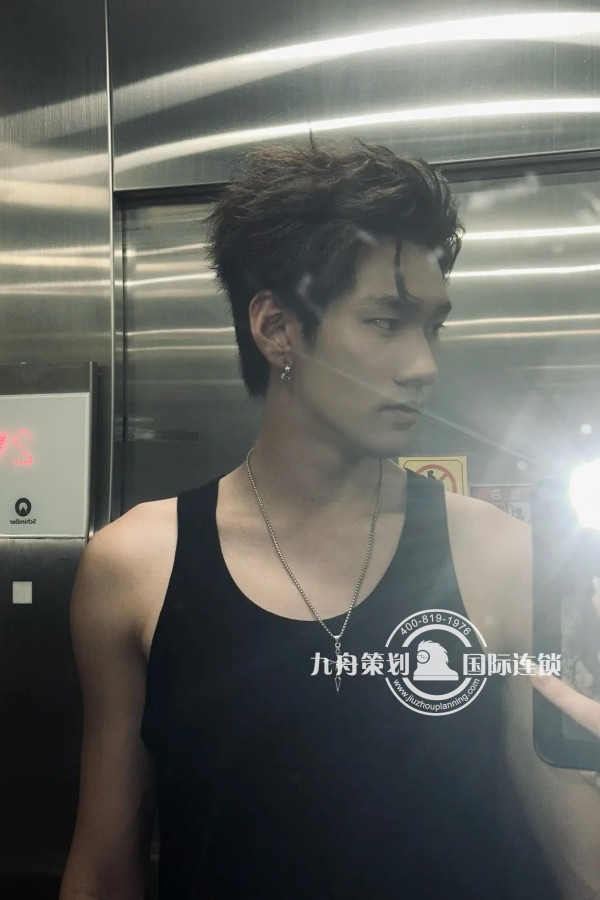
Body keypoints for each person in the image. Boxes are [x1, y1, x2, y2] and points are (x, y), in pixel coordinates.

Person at [60, 141, 600, 900]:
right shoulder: (135, 567)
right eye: (386, 321)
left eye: (432, 327)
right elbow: (104, 866)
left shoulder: (502, 556)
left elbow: (581, 865)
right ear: (277, 327)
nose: (423, 365)